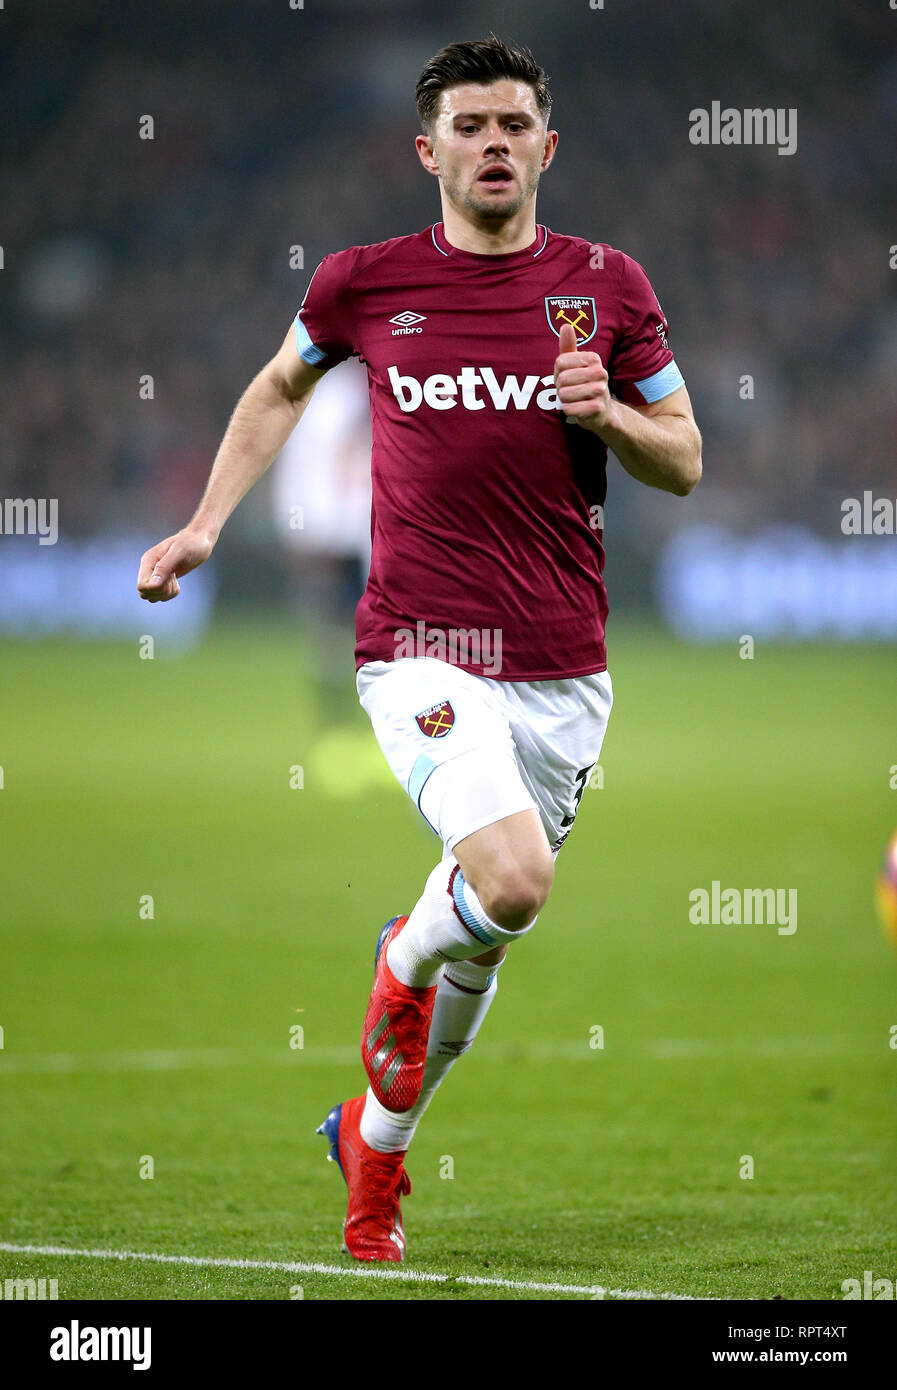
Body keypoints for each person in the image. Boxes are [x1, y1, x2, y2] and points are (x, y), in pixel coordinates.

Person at [137, 35, 701, 1265]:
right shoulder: (361, 284)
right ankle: (398, 955)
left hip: (566, 669)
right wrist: (205, 523)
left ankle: (372, 1147)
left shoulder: (609, 286)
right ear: (428, 150)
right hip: (420, 645)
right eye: (471, 124)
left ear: (548, 148)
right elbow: (280, 389)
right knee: (507, 883)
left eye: (514, 124)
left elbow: (687, 457)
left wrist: (607, 411)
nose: (493, 142)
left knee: (491, 933)